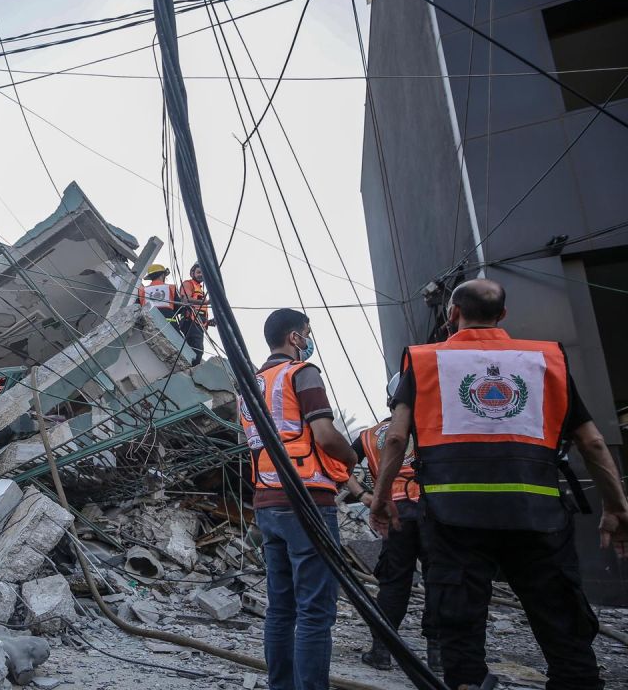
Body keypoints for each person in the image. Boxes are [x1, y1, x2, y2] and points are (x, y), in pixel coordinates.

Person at [371, 278, 628, 690]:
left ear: (453, 313)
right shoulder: (546, 359)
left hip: (455, 520)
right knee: (564, 627)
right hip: (537, 517)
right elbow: (593, 442)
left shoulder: (424, 360)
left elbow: (397, 438)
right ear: (503, 315)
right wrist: (616, 506)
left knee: (460, 629)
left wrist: (381, 497)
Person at [239, 308, 357, 690]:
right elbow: (324, 435)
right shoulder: (301, 373)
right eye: (306, 333)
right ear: (294, 337)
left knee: (281, 608)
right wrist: (351, 458)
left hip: (267, 501)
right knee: (315, 612)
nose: (308, 340)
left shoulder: (250, 384)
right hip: (307, 502)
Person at [349, 374, 439, 673]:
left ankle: (382, 651)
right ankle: (438, 653)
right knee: (439, 579)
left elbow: (339, 465)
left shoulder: (368, 436)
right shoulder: (430, 429)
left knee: (394, 582)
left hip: (393, 513)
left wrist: (362, 495)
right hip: (431, 511)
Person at [177, 263, 211, 364]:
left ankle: (189, 366)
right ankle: (190, 368)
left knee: (197, 350)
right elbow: (185, 300)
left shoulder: (200, 289)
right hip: (190, 321)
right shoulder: (188, 283)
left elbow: (201, 312)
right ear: (192, 273)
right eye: (199, 272)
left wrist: (208, 322)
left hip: (198, 324)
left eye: (203, 273)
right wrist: (205, 302)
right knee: (197, 350)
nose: (201, 275)